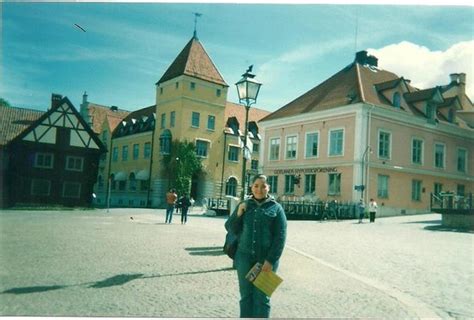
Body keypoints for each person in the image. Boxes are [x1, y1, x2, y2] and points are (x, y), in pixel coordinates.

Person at [225, 174, 287, 318]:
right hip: (244, 258)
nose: (259, 189)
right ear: (251, 187)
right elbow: (230, 228)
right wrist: (239, 214)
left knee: (262, 299)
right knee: (246, 297)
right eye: (256, 186)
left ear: (268, 188)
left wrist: (270, 260)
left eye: (263, 186)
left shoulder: (276, 209)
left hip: (266, 261)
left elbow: (280, 237)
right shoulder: (245, 205)